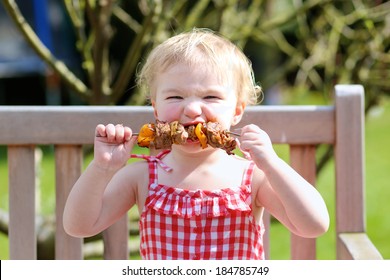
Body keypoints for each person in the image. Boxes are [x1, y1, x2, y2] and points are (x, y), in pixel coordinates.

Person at [63, 28, 329, 260]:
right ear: (156, 109)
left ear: (237, 111)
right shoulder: (141, 177)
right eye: (175, 96)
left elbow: (314, 225)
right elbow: (79, 226)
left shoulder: (252, 177)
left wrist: (271, 163)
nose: (191, 109)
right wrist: (102, 168)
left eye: (210, 96)